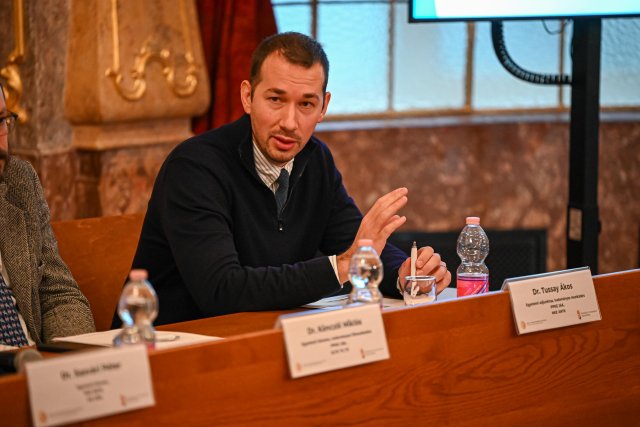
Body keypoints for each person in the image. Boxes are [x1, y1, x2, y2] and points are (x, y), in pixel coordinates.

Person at [126, 32, 451, 326]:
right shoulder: (195, 167)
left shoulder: (315, 160)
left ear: (323, 107)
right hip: (171, 346)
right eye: (276, 100)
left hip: (266, 337)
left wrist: (405, 274)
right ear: (247, 97)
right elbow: (221, 290)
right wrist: (344, 266)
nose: (290, 123)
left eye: (306, 104)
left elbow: (355, 241)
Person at [0, 83, 95, 347]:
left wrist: (71, 360)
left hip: (35, 361)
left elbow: (58, 295)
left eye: (0, 121)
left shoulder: (18, 180)